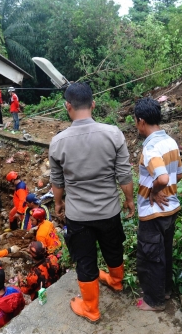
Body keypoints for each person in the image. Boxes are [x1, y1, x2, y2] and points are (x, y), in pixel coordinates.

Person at [49, 82, 134, 322]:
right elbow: (124, 174)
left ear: (68, 107)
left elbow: (57, 182)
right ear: (93, 104)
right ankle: (116, 282)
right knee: (113, 248)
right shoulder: (113, 133)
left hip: (79, 216)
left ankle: (91, 309)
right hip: (109, 210)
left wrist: (58, 204)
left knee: (85, 259)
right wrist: (129, 200)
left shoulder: (58, 142)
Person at [132, 97, 182, 311]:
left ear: (141, 121)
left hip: (154, 213)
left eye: (136, 121)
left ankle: (154, 301)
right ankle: (165, 290)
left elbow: (162, 178)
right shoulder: (170, 142)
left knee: (151, 255)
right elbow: (178, 175)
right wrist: (165, 189)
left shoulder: (151, 148)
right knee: (164, 252)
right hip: (171, 209)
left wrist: (154, 191)